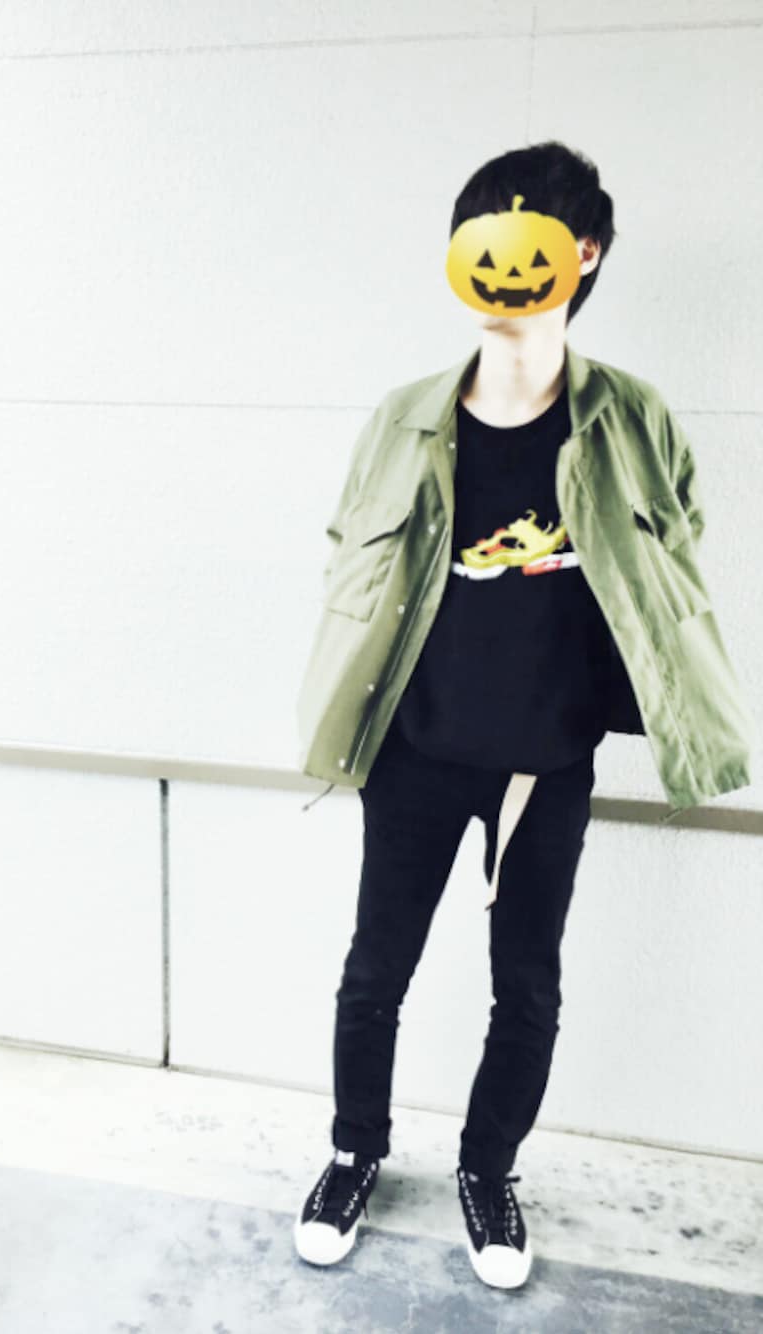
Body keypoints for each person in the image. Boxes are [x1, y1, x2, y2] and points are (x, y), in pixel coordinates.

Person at [292, 140, 752, 1290]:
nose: (498, 254)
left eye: (525, 230)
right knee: (374, 971)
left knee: (528, 987)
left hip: (545, 765)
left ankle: (488, 1168)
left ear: (581, 253)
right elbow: (349, 549)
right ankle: (353, 1150)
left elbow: (677, 546)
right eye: (478, 231)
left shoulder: (630, 418)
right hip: (415, 751)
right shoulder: (405, 416)